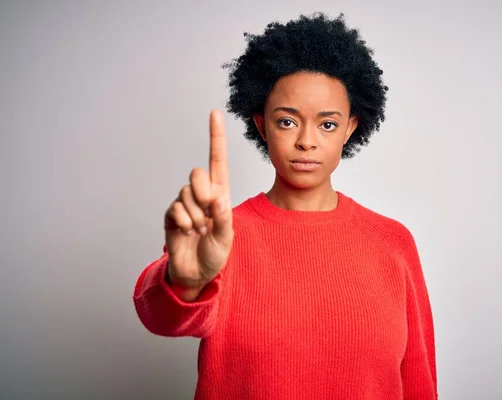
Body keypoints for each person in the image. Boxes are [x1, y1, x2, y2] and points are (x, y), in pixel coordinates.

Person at [133, 12, 437, 400]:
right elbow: (159, 316)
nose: (306, 141)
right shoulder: (222, 235)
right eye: (287, 122)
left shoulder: (393, 243)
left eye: (327, 124)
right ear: (261, 126)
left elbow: (419, 383)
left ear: (350, 127)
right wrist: (185, 281)